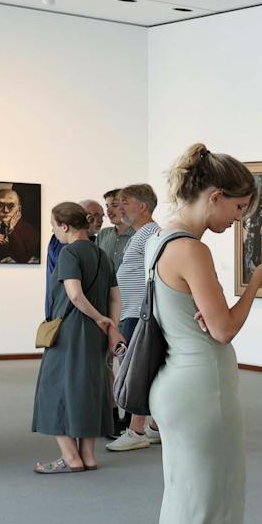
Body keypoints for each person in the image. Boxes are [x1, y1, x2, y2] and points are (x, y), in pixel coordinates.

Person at [147, 145, 262, 524]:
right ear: (215, 196)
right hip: (201, 386)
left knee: (185, 502)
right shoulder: (192, 249)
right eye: (238, 209)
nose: (238, 220)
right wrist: (254, 285)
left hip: (180, 384)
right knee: (203, 506)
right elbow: (222, 328)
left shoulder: (161, 239)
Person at [31, 202, 123, 472]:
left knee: (53, 389)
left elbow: (74, 294)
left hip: (70, 331)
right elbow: (115, 296)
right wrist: (109, 325)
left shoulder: (69, 253)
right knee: (88, 389)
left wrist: (96, 317)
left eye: (53, 226)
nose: (53, 231)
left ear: (65, 226)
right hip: (96, 334)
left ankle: (70, 458)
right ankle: (88, 456)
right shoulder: (101, 254)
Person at [108, 184, 163, 452]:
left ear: (142, 206)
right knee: (142, 371)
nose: (120, 208)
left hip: (139, 313)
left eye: (125, 202)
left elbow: (156, 275)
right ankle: (154, 427)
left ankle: (137, 429)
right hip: (132, 311)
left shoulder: (151, 233)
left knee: (136, 372)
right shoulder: (140, 234)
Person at [0, 185, 40, 265]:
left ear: (19, 209)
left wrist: (11, 230)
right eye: (0, 205)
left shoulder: (29, 230)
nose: (6, 210)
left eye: (11, 206)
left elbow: (24, 258)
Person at [94, 188, 132, 268]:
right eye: (107, 206)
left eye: (114, 205)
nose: (108, 210)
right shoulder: (103, 234)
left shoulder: (139, 234)